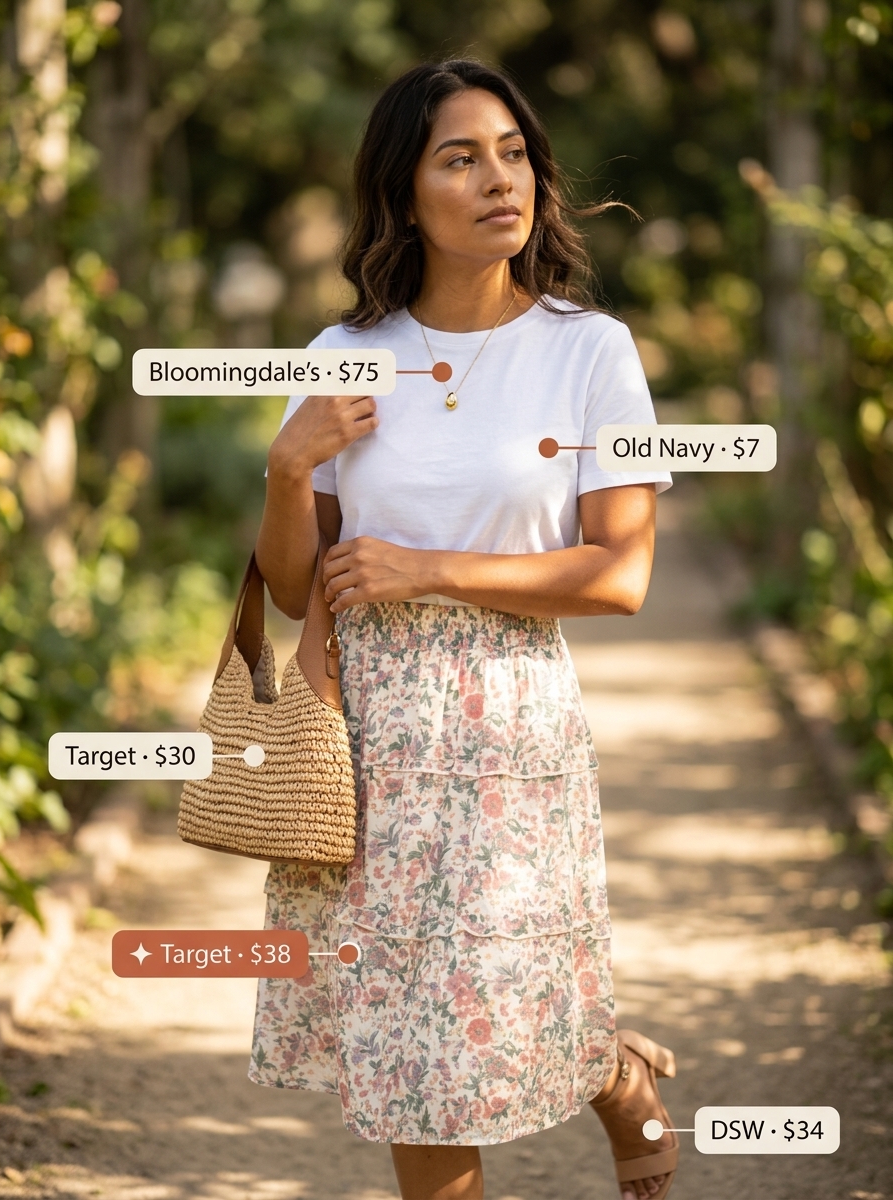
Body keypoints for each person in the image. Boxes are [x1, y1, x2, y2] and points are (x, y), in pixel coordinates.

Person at [250, 58, 678, 1200]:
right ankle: (610, 1076)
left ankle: (619, 1087)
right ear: (401, 196)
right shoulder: (343, 357)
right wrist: (288, 471)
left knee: (517, 981)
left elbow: (618, 574)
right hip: (364, 734)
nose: (501, 179)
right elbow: (295, 590)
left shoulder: (592, 350)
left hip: (509, 721)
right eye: (459, 157)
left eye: (512, 153)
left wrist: (427, 569)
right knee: (409, 1040)